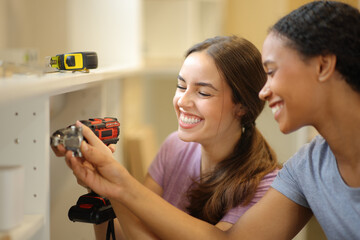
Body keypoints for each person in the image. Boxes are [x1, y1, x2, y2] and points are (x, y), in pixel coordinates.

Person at [66, 1, 360, 239]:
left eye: (272, 71)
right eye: (181, 86)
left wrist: (120, 187)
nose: (264, 90)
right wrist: (111, 188)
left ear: (323, 65)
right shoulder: (306, 169)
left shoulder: (273, 179)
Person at [56, 35, 280, 239]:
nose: (182, 101)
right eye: (181, 86)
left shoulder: (264, 187)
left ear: (241, 106)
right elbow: (126, 234)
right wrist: (100, 185)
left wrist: (117, 186)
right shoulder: (174, 147)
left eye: (203, 92)